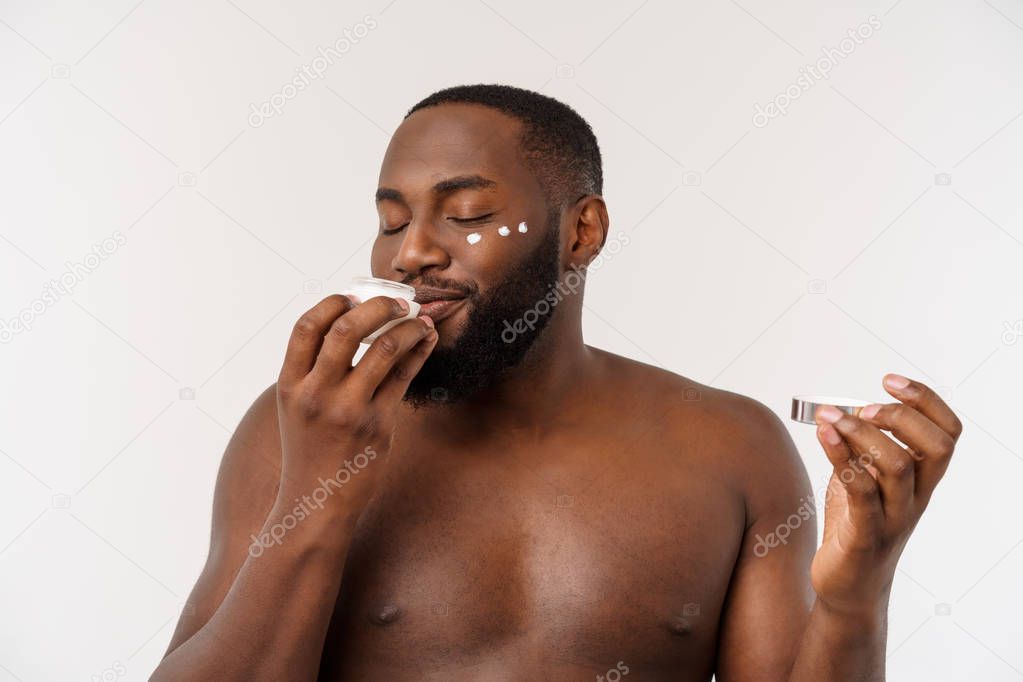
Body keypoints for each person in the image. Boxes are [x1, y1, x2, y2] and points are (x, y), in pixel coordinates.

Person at [151, 84, 962, 681]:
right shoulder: (301, 427)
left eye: (465, 213)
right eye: (392, 221)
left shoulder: (730, 446)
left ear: (582, 231)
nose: (409, 256)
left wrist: (857, 594)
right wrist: (319, 497)